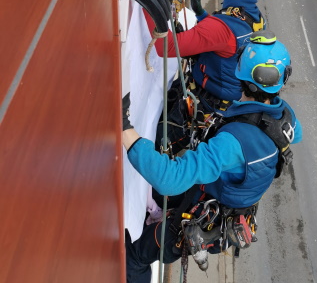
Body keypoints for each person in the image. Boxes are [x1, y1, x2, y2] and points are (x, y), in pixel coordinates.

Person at [123, 33, 302, 282]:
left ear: (243, 79)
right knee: (151, 197)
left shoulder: (233, 142)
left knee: (134, 256)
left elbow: (169, 179)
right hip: (224, 207)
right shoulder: (284, 118)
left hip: (203, 213)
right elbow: (294, 134)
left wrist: (124, 128)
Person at [145, 0, 273, 109]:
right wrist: (201, 14)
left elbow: (168, 47)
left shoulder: (222, 26)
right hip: (230, 98)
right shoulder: (256, 18)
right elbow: (226, 41)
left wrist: (148, 3)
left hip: (208, 102)